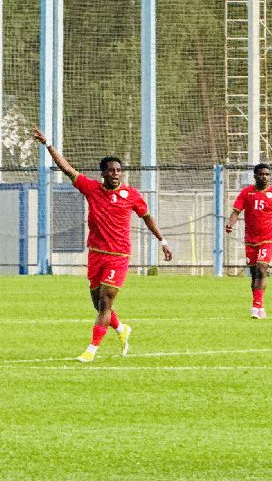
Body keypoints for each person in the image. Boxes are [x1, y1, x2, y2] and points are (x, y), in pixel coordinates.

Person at [32, 129, 173, 362]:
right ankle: (121, 329)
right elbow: (67, 169)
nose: (116, 174)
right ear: (103, 173)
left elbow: (147, 217)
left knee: (106, 301)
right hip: (96, 254)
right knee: (98, 304)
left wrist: (163, 241)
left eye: (118, 170)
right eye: (111, 170)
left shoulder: (132, 195)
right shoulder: (91, 189)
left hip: (118, 255)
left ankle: (92, 349)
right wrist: (48, 145)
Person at [223, 162, 272, 318]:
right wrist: (230, 224)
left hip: (268, 238)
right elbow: (236, 211)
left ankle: (256, 307)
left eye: (267, 174)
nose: (264, 177)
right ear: (255, 176)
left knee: (261, 269)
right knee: (254, 274)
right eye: (261, 174)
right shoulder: (246, 193)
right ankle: (259, 306)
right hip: (250, 239)